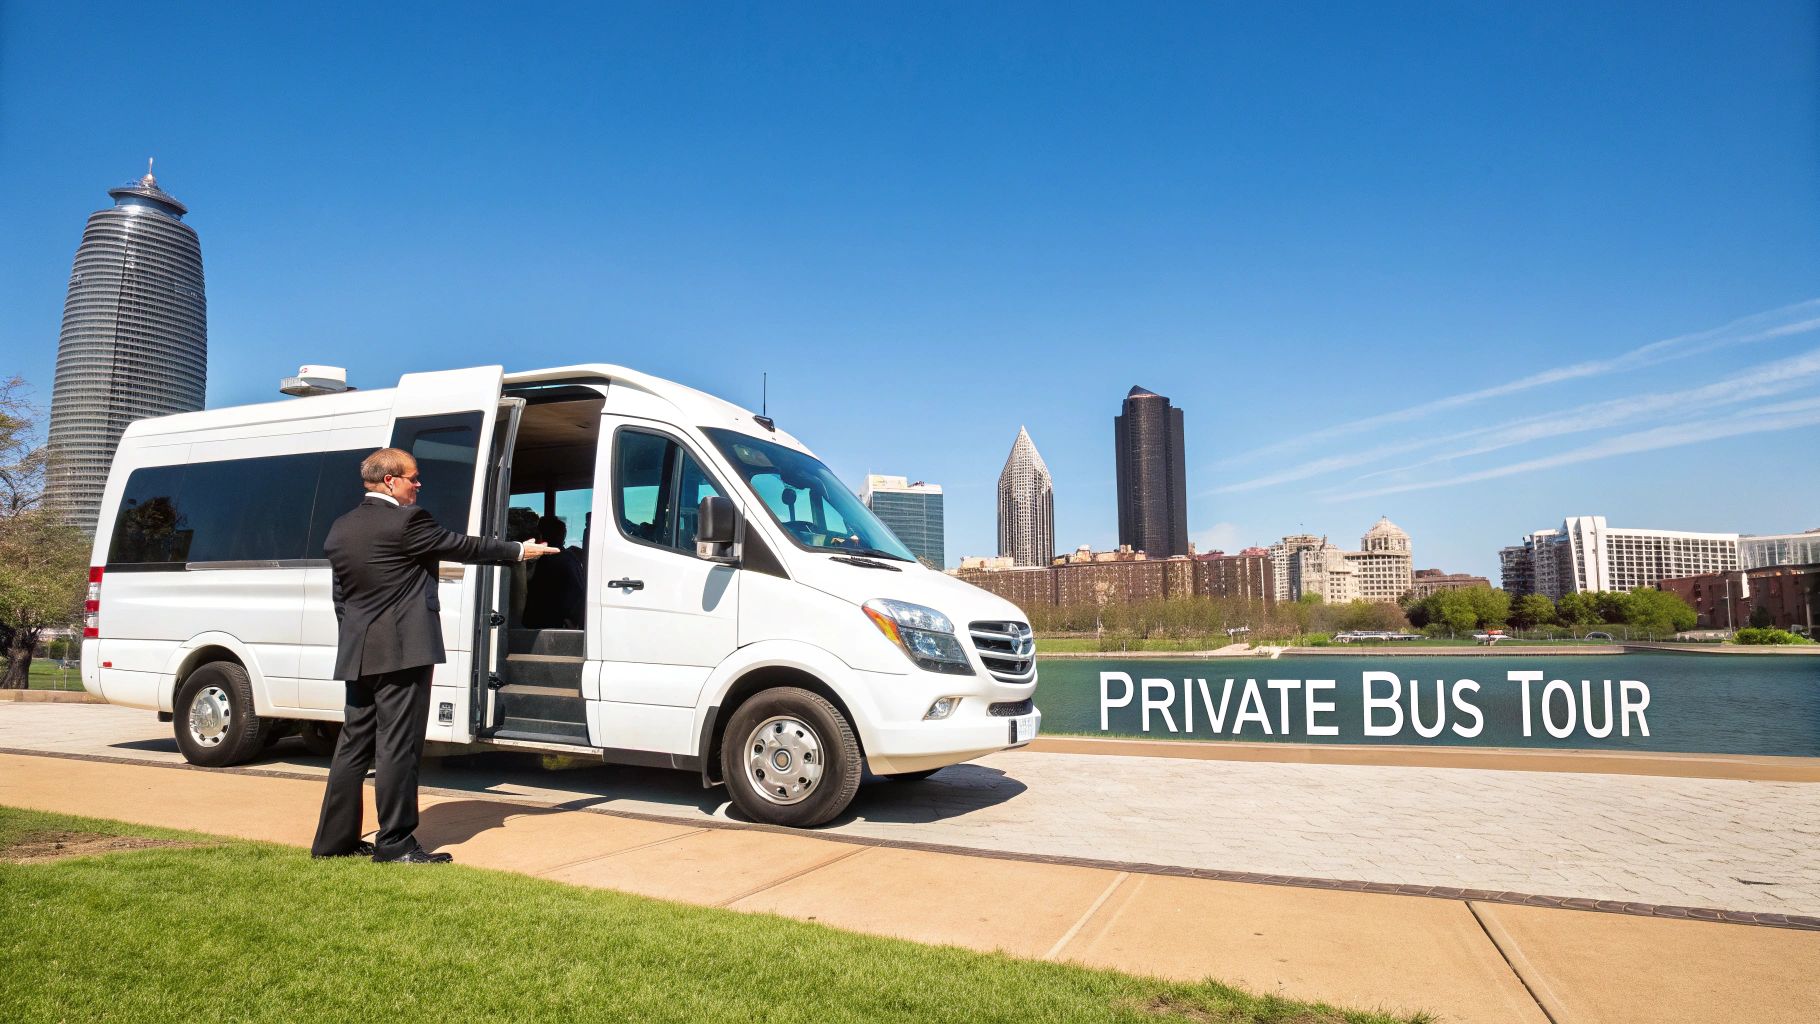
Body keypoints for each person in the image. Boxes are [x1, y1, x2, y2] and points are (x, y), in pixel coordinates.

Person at [310, 447, 554, 864]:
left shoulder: (341, 527)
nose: (418, 484)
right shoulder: (408, 521)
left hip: (359, 650)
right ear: (390, 481)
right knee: (398, 747)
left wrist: (358, 639)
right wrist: (518, 551)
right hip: (404, 651)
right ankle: (396, 844)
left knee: (353, 746)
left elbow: (342, 599)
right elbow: (462, 546)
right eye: (413, 477)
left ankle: (334, 842)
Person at [521, 514, 586, 629]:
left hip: (547, 623)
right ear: (563, 535)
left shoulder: (548, 560)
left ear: (542, 536)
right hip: (562, 622)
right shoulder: (569, 557)